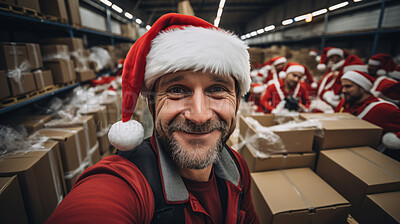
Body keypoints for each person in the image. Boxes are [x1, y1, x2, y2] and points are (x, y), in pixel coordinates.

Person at [46, 13, 260, 224]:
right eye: (177, 89)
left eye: (217, 89)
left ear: (237, 104)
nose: (199, 115)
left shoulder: (237, 168)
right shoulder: (125, 182)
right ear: (152, 105)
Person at [335, 70, 400, 160]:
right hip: (340, 154)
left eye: (348, 86)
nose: (343, 90)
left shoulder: (383, 108)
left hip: (369, 160)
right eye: (342, 87)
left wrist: (395, 139)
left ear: (362, 88)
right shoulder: (344, 102)